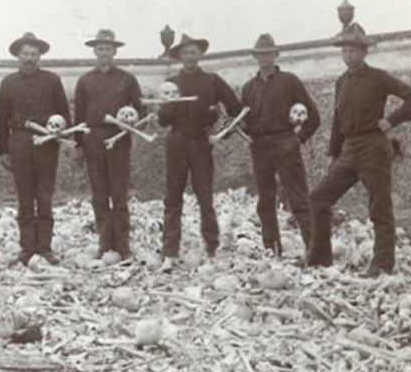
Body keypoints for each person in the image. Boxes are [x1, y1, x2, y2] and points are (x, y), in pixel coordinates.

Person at [306, 23, 411, 277]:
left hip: (374, 147)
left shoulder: (379, 77)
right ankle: (319, 259)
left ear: (364, 52)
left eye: (354, 51)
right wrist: (332, 153)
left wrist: (391, 120)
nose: (349, 56)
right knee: (318, 198)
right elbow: (338, 120)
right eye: (345, 51)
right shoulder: (341, 82)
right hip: (349, 149)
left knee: (379, 207)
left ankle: (382, 265)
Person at [156, 33, 242, 268]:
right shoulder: (171, 83)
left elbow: (235, 108)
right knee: (172, 197)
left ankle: (212, 249)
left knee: (205, 196)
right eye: (185, 53)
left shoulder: (212, 81)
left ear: (200, 54)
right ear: (180, 57)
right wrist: (166, 107)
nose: (189, 57)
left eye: (193, 52)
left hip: (201, 142)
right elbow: (162, 121)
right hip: (176, 142)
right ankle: (170, 252)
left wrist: (223, 131)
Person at [239, 33, 321, 257]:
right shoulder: (248, 88)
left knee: (298, 199)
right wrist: (237, 127)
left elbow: (313, 117)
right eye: (260, 54)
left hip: (285, 143)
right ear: (255, 57)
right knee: (265, 201)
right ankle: (271, 251)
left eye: (268, 53)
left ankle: (315, 251)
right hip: (260, 148)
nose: (264, 58)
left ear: (276, 55)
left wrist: (296, 140)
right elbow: (244, 122)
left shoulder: (289, 81)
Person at [0, 32, 71, 265]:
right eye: (25, 54)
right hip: (19, 142)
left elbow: (64, 114)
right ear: (18, 56)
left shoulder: (52, 80)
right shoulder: (8, 82)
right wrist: (4, 150)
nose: (29, 58)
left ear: (40, 57)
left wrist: (65, 138)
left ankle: (45, 247)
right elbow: (3, 119)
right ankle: (27, 248)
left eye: (34, 54)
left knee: (45, 195)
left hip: (47, 143)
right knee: (24, 197)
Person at [73, 28, 145, 259]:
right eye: (100, 48)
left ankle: (122, 245)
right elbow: (79, 117)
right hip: (93, 139)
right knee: (99, 194)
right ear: (95, 51)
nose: (104, 52)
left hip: (119, 140)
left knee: (119, 192)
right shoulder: (85, 81)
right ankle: (105, 243)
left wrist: (132, 126)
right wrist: (79, 145)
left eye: (108, 48)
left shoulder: (127, 78)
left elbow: (141, 110)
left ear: (115, 51)